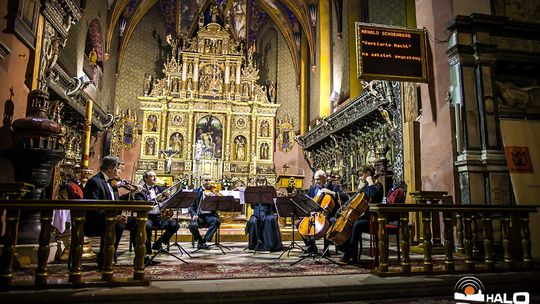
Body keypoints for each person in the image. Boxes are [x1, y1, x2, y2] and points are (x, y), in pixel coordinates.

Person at [83, 155, 128, 268]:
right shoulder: (95, 182)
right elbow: (94, 208)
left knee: (140, 223)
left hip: (111, 218)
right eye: (118, 169)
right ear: (110, 169)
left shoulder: (112, 182)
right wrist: (113, 218)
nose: (120, 172)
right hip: (96, 220)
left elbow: (116, 202)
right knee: (118, 225)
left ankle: (142, 258)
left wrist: (131, 194)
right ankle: (105, 257)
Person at [126, 171, 179, 262]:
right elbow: (141, 205)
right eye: (152, 176)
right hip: (146, 217)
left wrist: (168, 197)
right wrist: (154, 201)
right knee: (147, 226)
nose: (155, 178)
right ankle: (147, 252)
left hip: (158, 217)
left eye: (155, 176)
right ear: (146, 179)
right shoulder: (140, 190)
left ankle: (158, 243)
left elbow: (169, 198)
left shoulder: (159, 188)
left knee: (175, 224)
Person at [337, 165, 383, 265]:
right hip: (365, 216)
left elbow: (374, 196)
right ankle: (348, 251)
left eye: (362, 175)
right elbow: (357, 201)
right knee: (350, 225)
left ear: (369, 174)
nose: (360, 178)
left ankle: (350, 254)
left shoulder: (378, 186)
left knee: (357, 225)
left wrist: (370, 182)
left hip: (375, 218)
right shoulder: (366, 187)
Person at [303, 170, 349, 255]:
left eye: (318, 179)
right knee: (300, 224)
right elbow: (308, 201)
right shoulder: (313, 189)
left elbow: (346, 198)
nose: (316, 181)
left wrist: (332, 193)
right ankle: (311, 247)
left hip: (329, 214)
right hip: (314, 214)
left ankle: (326, 250)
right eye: (315, 179)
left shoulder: (333, 187)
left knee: (329, 222)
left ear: (324, 179)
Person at [245, 176, 283, 252]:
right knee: (253, 220)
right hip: (256, 214)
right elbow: (252, 206)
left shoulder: (270, 191)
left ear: (266, 182)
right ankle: (254, 244)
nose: (261, 184)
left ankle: (269, 245)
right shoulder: (253, 193)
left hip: (267, 214)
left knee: (269, 219)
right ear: (257, 183)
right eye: (259, 182)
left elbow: (274, 207)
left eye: (263, 182)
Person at [188, 174, 221, 249]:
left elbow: (218, 206)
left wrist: (214, 198)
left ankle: (204, 241)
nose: (208, 182)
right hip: (199, 216)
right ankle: (200, 239)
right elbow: (191, 206)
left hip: (210, 216)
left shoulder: (214, 192)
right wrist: (193, 215)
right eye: (206, 180)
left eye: (209, 180)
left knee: (216, 221)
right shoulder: (196, 191)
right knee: (192, 226)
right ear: (201, 181)